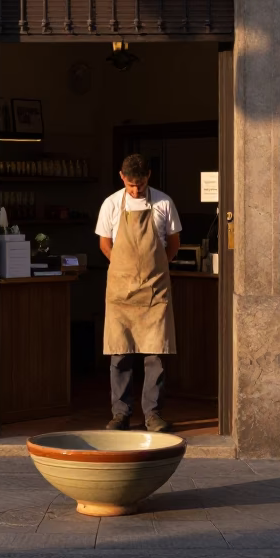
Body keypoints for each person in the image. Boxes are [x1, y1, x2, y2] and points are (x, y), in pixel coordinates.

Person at [95, 154, 182, 432]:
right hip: (121, 290)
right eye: (131, 185)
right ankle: (120, 414)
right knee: (120, 353)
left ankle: (152, 415)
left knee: (155, 353)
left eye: (141, 184)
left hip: (155, 289)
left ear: (149, 176)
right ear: (122, 177)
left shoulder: (164, 203)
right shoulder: (111, 204)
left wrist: (155, 268)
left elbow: (174, 244)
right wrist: (124, 268)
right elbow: (105, 244)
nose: (136, 190)